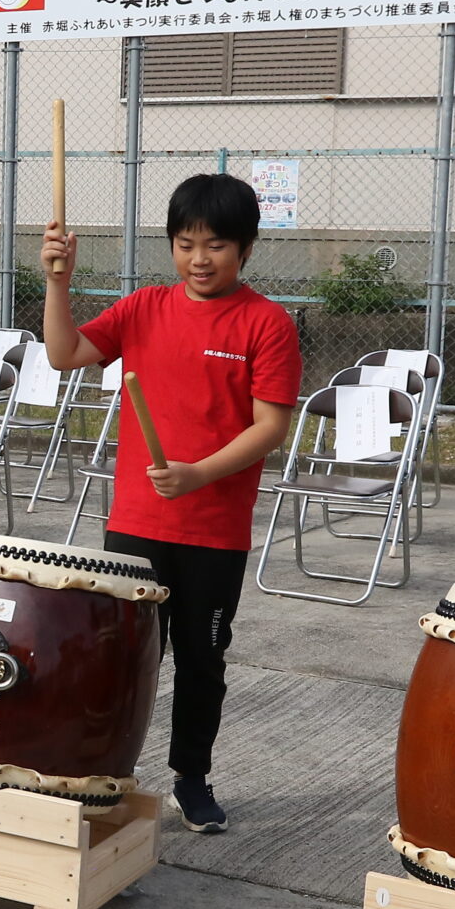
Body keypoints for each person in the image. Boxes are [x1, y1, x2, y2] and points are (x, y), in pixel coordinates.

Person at [39, 174, 299, 833]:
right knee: (119, 654)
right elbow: (63, 352)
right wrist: (58, 282)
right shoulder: (143, 308)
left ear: (246, 247)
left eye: (216, 244)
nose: (200, 258)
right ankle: (98, 766)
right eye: (186, 244)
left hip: (214, 530)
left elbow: (270, 426)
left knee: (201, 658)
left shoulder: (266, 323)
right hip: (136, 522)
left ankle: (191, 776)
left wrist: (198, 474)